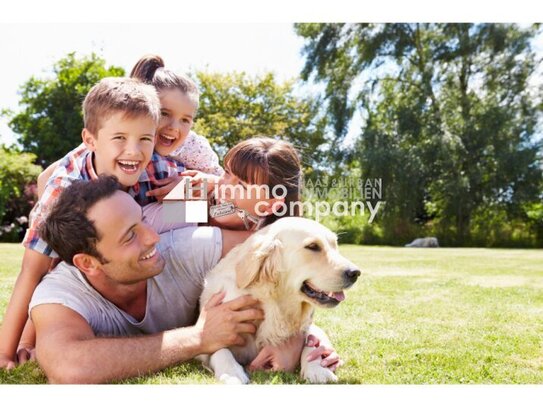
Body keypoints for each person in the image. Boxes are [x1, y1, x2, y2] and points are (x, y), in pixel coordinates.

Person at [29, 176, 327, 383]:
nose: (154, 237)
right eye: (130, 235)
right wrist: (198, 338)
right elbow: (69, 368)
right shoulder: (60, 293)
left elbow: (286, 254)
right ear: (87, 263)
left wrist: (296, 338)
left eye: (143, 220)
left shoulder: (187, 247)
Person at [0, 77, 187, 369]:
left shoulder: (159, 169)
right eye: (120, 138)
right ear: (90, 141)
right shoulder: (64, 190)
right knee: (54, 262)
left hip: (131, 240)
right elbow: (32, 270)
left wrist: (203, 190)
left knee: (186, 212)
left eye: (145, 139)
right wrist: (8, 350)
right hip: (80, 249)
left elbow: (208, 209)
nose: (134, 151)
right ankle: (32, 337)